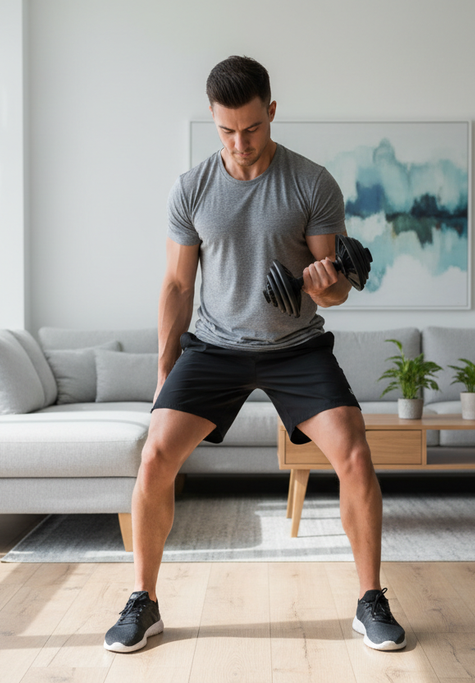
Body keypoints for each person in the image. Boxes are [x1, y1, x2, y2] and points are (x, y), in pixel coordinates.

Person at [103, 55, 406, 654]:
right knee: (156, 453)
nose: (240, 143)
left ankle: (371, 598)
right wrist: (166, 365)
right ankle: (144, 600)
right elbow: (177, 284)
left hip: (296, 346)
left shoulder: (312, 182)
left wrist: (325, 281)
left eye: (251, 128)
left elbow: (337, 287)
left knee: (354, 451)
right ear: (214, 121)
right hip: (214, 346)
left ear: (271, 112)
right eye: (226, 131)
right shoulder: (192, 188)